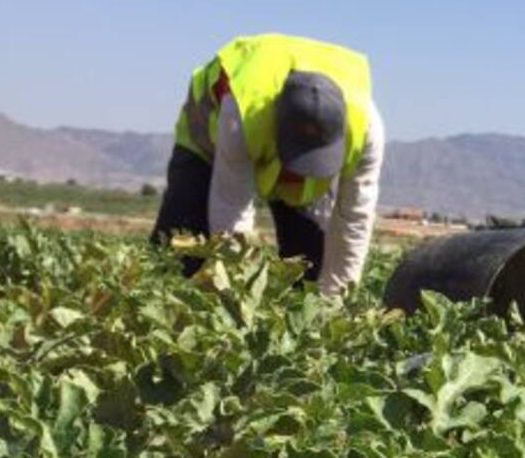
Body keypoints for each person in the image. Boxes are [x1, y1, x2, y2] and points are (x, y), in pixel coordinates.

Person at [150, 33, 384, 298]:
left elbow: (355, 219)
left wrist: (335, 300)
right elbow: (231, 211)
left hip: (275, 138)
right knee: (181, 249)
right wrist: (236, 300)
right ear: (276, 128)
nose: (297, 172)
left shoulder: (367, 133)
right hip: (208, 141)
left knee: (309, 266)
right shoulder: (242, 115)